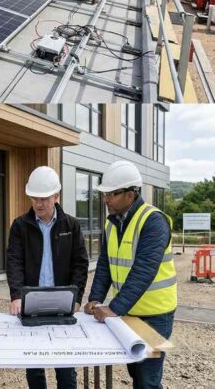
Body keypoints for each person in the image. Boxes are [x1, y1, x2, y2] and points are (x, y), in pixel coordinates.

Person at [85, 160, 177, 389]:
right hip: (129, 313)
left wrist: (114, 308)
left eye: (112, 194)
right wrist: (95, 298)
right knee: (135, 372)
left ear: (131, 194)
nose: (106, 199)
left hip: (156, 315)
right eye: (104, 194)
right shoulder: (112, 224)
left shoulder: (154, 221)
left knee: (148, 379)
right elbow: (104, 265)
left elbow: (144, 270)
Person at [5, 166, 88, 389]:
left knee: (66, 366)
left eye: (44, 198)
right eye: (34, 198)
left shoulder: (71, 225)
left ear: (56, 196)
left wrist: (77, 297)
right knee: (34, 363)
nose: (39, 204)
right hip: (31, 299)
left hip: (63, 300)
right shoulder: (20, 226)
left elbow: (80, 264)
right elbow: (14, 262)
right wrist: (16, 295)